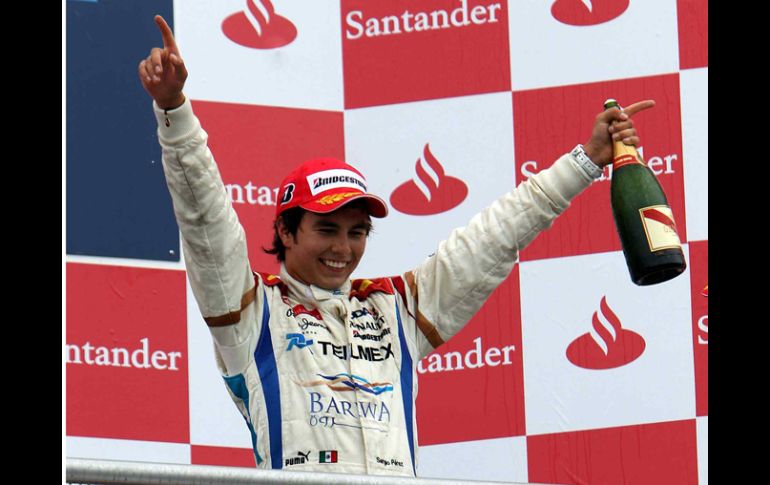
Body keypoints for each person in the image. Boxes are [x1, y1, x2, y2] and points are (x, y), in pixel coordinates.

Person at [139, 15, 654, 477]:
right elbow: (206, 222)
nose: (344, 247)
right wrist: (175, 111)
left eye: (357, 231)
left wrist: (586, 160)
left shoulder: (394, 308)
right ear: (286, 232)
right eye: (327, 229)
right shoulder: (252, 312)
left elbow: (494, 238)